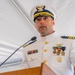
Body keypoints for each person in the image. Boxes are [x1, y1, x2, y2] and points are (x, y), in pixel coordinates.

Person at [21, 4, 75, 75]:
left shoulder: (69, 42)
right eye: (38, 19)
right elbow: (24, 72)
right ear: (35, 25)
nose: (42, 21)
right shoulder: (27, 48)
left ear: (53, 22)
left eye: (45, 18)